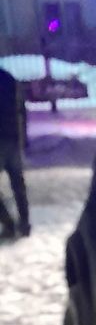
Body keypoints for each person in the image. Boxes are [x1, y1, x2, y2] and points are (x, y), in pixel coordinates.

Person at [0, 68, 30, 240]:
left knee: (18, 184)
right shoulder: (9, 79)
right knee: (18, 184)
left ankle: (8, 223)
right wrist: (23, 137)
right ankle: (24, 224)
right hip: (13, 137)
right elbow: (21, 108)